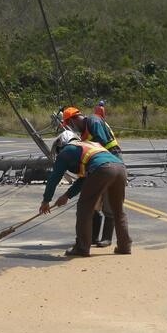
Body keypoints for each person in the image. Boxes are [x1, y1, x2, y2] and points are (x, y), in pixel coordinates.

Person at [39, 129, 132, 257]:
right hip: (121, 168)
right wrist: (67, 196)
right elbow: (84, 179)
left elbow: (54, 178)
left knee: (84, 208)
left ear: (62, 144)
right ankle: (124, 246)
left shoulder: (66, 151)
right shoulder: (88, 146)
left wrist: (46, 200)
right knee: (118, 210)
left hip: (102, 169)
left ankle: (82, 247)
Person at [60, 106, 123, 248]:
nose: (70, 127)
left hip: (111, 160)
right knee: (93, 202)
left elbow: (101, 143)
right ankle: (93, 237)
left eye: (69, 124)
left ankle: (107, 238)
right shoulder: (84, 133)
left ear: (75, 119)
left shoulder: (94, 121)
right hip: (99, 165)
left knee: (108, 201)